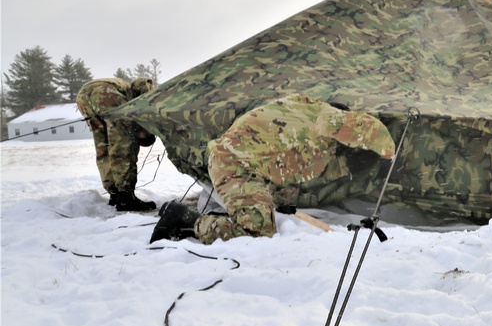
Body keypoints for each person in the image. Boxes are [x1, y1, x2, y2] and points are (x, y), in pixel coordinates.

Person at [150, 94, 396, 245]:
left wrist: (348, 167)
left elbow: (301, 168)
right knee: (257, 233)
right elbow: (335, 131)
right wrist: (386, 152)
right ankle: (186, 219)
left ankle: (237, 215)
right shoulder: (325, 120)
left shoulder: (302, 108)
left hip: (249, 165)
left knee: (277, 204)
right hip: (234, 167)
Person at [76, 77, 157, 211]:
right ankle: (126, 198)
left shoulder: (124, 88)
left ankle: (115, 194)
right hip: (106, 94)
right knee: (124, 146)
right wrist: (141, 133)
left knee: (104, 147)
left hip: (83, 97)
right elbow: (133, 125)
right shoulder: (134, 95)